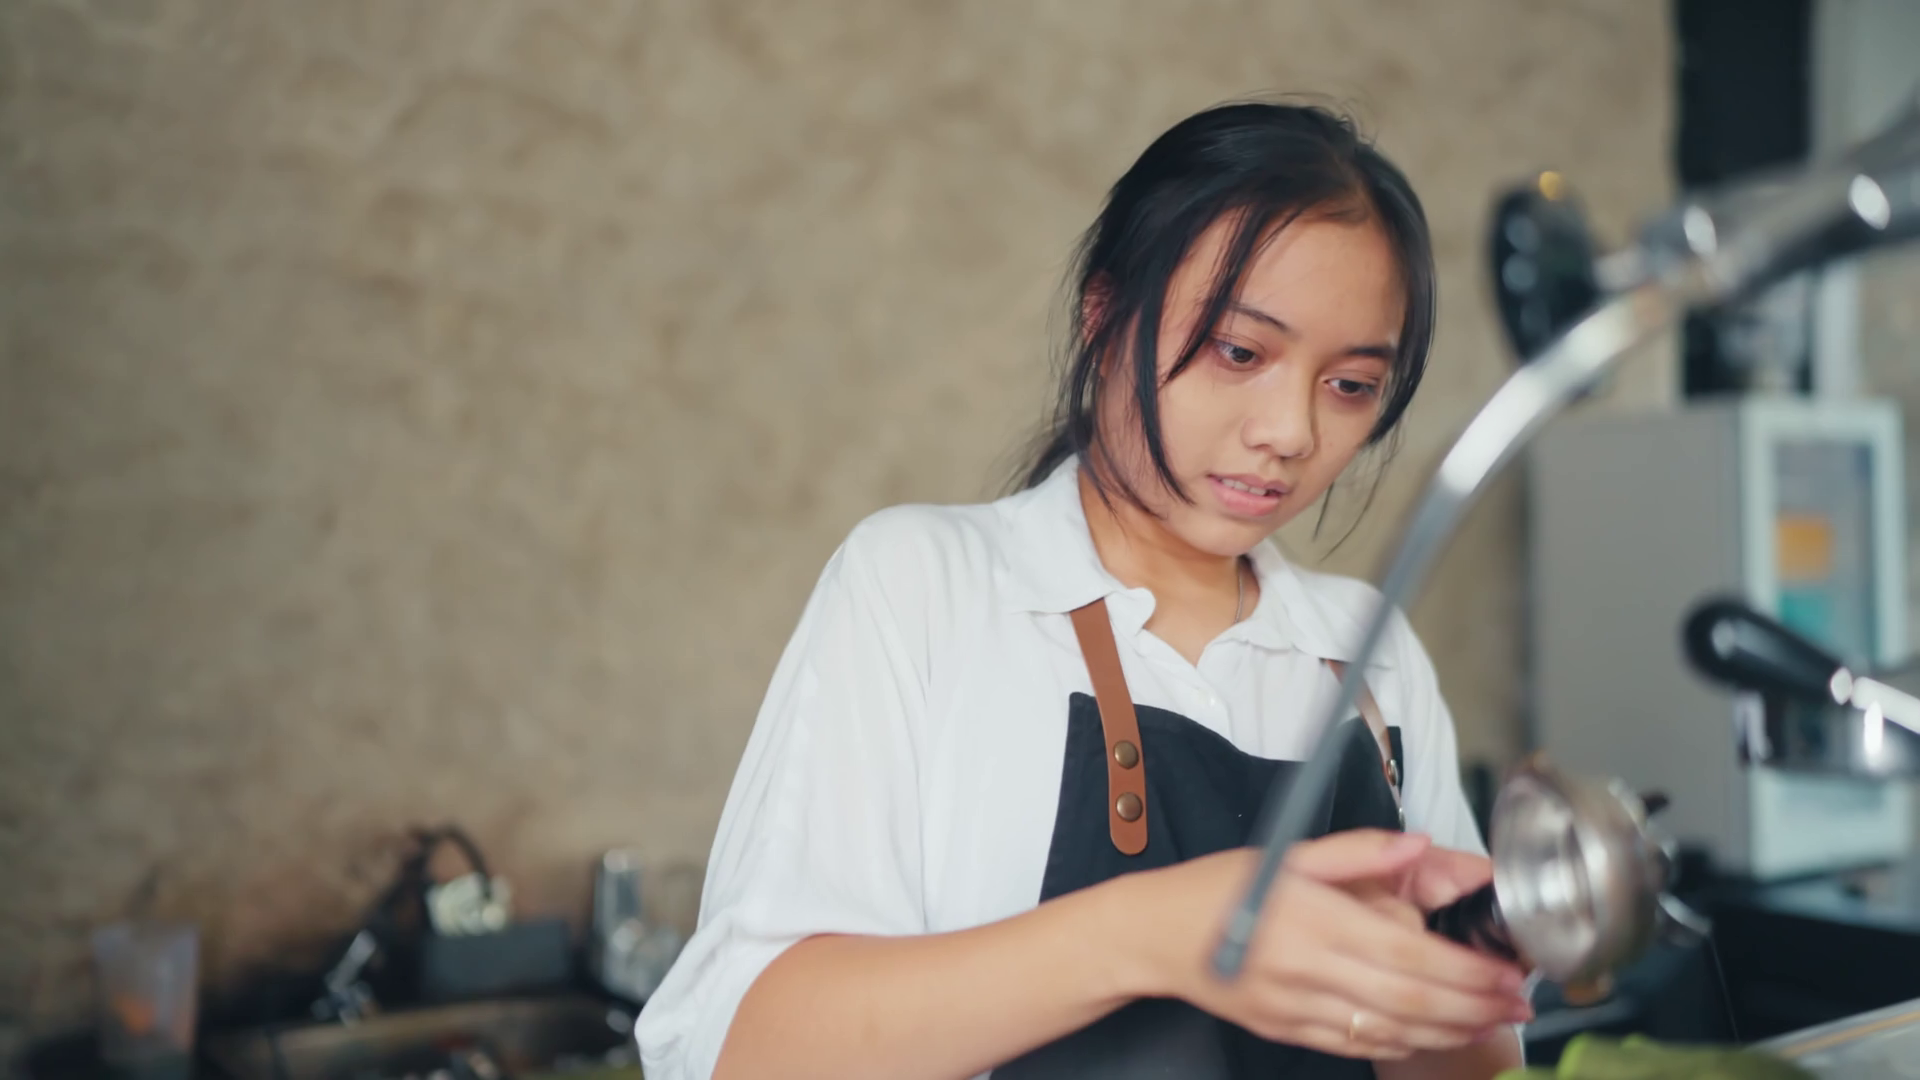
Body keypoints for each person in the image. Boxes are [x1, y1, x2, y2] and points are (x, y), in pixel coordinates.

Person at [637, 101, 1532, 1080]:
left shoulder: (1368, 650)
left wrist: (1462, 963)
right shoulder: (925, 586)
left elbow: (1469, 1071)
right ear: (1103, 316)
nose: (1291, 432)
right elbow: (736, 1050)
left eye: (1350, 384)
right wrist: (1156, 934)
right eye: (1240, 352)